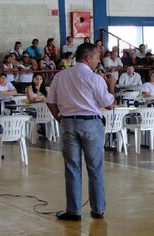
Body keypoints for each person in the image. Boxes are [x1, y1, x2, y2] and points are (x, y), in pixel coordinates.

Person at [47, 43, 115, 221]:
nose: (98, 61)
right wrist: (112, 86)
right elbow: (108, 104)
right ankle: (98, 209)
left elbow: (50, 101)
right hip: (91, 124)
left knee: (72, 168)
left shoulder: (61, 76)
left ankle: (74, 211)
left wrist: (60, 119)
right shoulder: (94, 78)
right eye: (96, 57)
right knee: (95, 168)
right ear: (88, 58)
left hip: (68, 123)